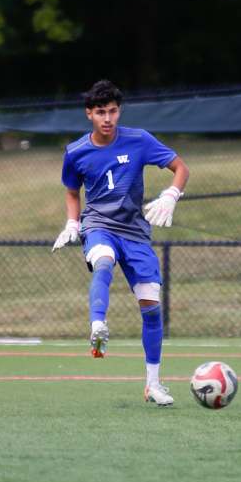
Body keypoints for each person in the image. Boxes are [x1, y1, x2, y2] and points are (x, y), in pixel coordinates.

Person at [52, 79, 189, 407]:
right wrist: (73, 222)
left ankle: (153, 385)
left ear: (119, 111)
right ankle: (97, 322)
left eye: (113, 111)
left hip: (136, 234)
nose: (108, 118)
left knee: (152, 308)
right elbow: (73, 192)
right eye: (101, 112)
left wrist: (172, 194)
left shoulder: (139, 140)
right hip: (99, 225)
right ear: (89, 114)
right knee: (102, 261)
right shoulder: (75, 152)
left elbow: (180, 167)